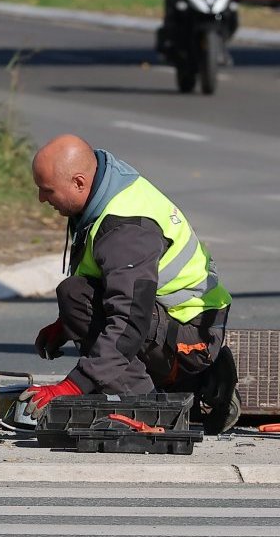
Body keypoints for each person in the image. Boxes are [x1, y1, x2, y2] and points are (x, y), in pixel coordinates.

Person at [20, 135, 239, 435]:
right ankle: (202, 382)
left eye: (47, 191)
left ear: (79, 183)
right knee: (75, 298)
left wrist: (74, 384)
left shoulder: (125, 228)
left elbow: (129, 324)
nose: (42, 199)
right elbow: (105, 281)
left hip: (194, 337)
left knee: (77, 299)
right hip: (179, 324)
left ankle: (148, 406)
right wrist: (66, 323)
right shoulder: (107, 184)